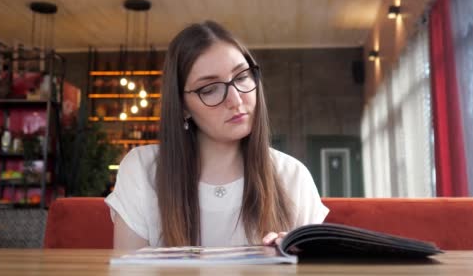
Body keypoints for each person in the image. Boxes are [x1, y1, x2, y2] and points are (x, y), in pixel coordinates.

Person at [105, 20, 328, 249]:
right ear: (182, 106)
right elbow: (129, 269)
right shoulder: (142, 169)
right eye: (209, 89)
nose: (236, 100)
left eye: (241, 77)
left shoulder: (293, 176)